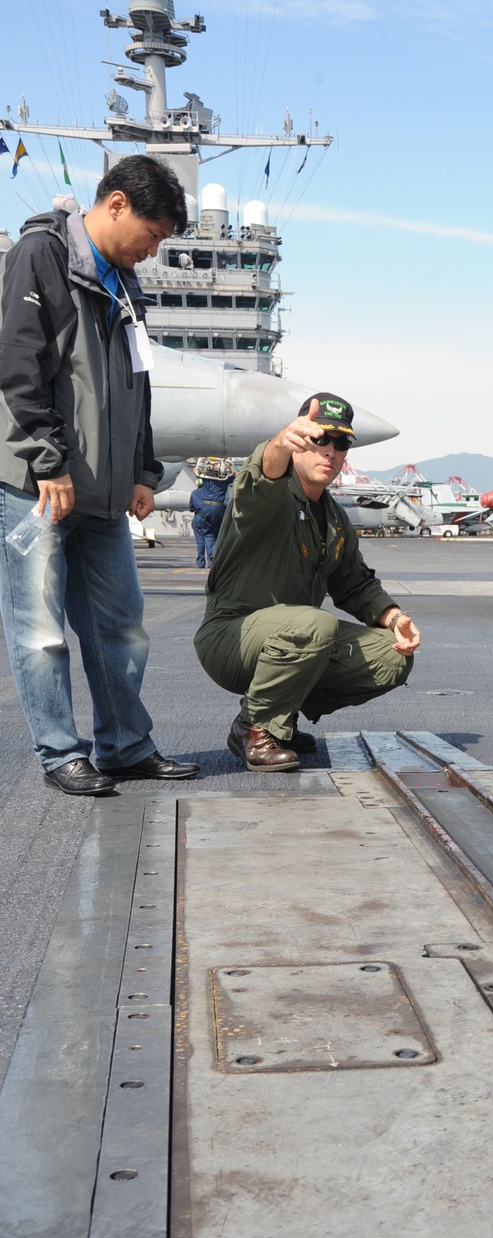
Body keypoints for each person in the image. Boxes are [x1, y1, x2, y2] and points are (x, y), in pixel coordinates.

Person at [0, 156, 200, 795]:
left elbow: (135, 388)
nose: (154, 249)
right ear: (116, 204)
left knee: (121, 627)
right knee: (40, 629)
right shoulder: (41, 256)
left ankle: (124, 746)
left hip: (106, 492)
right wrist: (46, 460)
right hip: (41, 488)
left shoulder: (121, 282)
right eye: (153, 233)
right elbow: (18, 366)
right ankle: (62, 753)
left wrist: (143, 470)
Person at [194, 393, 420, 771]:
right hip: (230, 636)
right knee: (314, 624)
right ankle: (254, 728)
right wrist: (278, 444)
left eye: (341, 442)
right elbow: (259, 481)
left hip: (291, 638)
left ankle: (280, 719)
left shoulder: (333, 516)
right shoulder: (272, 495)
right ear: (299, 443)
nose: (329, 451)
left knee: (391, 657)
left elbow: (355, 584)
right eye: (319, 439)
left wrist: (395, 619)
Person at [189, 457, 234, 568]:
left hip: (205, 508)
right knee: (218, 533)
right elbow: (235, 475)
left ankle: (211, 558)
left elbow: (195, 470)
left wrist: (205, 461)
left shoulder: (205, 480)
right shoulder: (225, 480)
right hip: (218, 508)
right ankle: (214, 555)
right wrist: (227, 466)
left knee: (208, 534)